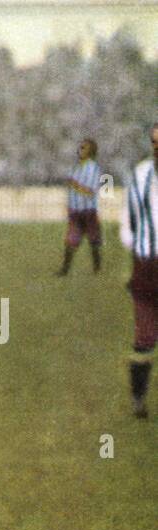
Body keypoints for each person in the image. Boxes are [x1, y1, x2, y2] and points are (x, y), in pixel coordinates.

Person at [119, 123, 158, 419]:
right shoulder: (140, 175)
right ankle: (138, 399)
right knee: (144, 337)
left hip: (145, 262)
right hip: (147, 267)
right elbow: (126, 225)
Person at [57, 138, 103, 276]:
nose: (80, 150)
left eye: (84, 147)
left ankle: (97, 268)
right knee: (71, 240)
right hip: (75, 211)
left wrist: (76, 185)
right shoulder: (76, 167)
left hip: (88, 210)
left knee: (94, 240)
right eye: (80, 147)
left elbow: (91, 190)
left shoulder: (94, 168)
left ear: (91, 151)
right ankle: (65, 269)